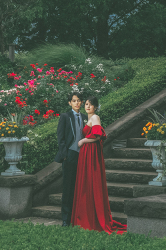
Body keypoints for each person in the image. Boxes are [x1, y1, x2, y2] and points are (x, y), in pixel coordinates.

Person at [71, 95, 126, 234]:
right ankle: (86, 217)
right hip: (87, 153)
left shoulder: (95, 117)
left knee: (90, 182)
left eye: (90, 105)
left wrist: (83, 141)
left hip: (91, 153)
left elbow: (97, 136)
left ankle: (92, 219)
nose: (87, 107)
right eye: (86, 104)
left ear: (95, 107)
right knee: (86, 183)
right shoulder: (89, 118)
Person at [54, 92, 86, 226]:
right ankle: (66, 219)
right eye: (74, 101)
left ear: (82, 102)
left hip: (83, 156)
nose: (77, 103)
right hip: (70, 155)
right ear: (70, 103)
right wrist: (65, 154)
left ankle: (78, 217)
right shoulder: (65, 117)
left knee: (81, 187)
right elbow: (60, 137)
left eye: (79, 100)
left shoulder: (85, 117)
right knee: (68, 188)